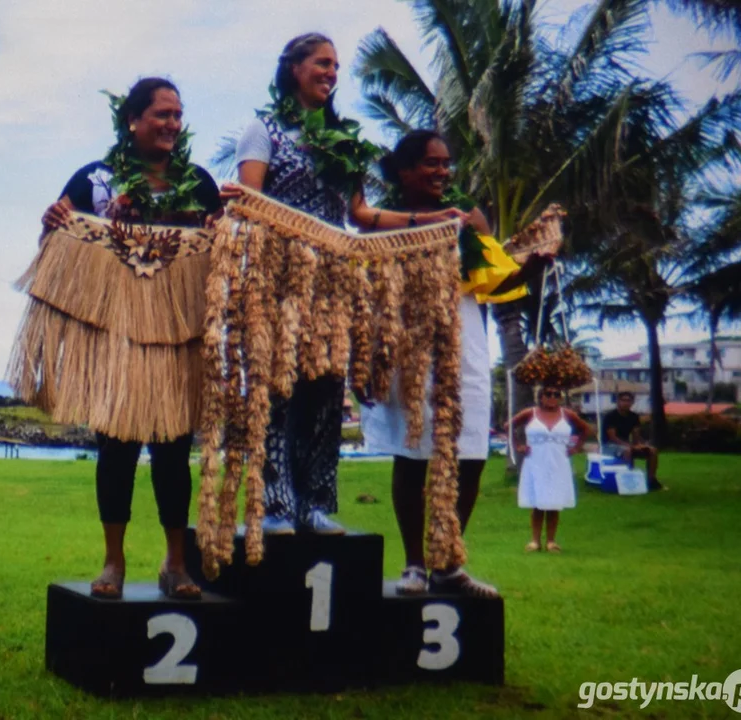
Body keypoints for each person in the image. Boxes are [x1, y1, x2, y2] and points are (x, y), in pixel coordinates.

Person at [232, 34, 459, 536]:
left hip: (334, 283)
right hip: (279, 277)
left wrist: (425, 218)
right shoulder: (263, 129)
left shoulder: (347, 140)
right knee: (277, 388)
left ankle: (313, 503)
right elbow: (249, 201)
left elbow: (358, 214)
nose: (331, 72)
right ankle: (272, 504)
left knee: (325, 389)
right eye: (321, 63)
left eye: (335, 65)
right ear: (293, 68)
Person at [41, 78, 221, 600]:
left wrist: (217, 224)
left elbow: (224, 248)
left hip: (173, 333)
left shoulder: (197, 181)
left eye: (177, 116)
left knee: (172, 449)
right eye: (162, 114)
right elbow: (55, 244)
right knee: (116, 449)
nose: (171, 124)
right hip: (116, 334)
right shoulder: (95, 180)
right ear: (133, 120)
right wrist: (53, 222)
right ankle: (113, 561)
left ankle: (175, 562)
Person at [358, 130, 552, 596]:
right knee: (413, 455)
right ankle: (415, 565)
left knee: (470, 456)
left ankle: (449, 561)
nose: (442, 172)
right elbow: (364, 293)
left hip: (465, 344)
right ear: (404, 172)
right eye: (431, 163)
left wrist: (533, 265)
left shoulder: (470, 217)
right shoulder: (383, 222)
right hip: (407, 345)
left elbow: (495, 283)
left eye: (447, 164)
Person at [506, 386, 593, 552]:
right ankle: (535, 541)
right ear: (540, 397)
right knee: (538, 502)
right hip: (536, 461)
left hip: (559, 461)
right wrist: (519, 446)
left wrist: (576, 447)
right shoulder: (530, 413)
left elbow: (585, 429)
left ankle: (551, 541)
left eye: (556, 394)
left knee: (554, 502)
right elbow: (508, 426)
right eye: (548, 394)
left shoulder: (567, 414)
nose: (552, 397)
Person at [602, 391, 664, 490]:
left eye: (629, 401)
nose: (626, 403)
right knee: (627, 451)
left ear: (632, 402)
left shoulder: (634, 417)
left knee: (652, 451)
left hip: (626, 445)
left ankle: (651, 480)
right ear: (618, 401)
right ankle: (628, 480)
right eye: (623, 400)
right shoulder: (610, 416)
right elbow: (613, 438)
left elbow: (636, 435)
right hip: (609, 446)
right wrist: (630, 446)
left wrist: (641, 445)